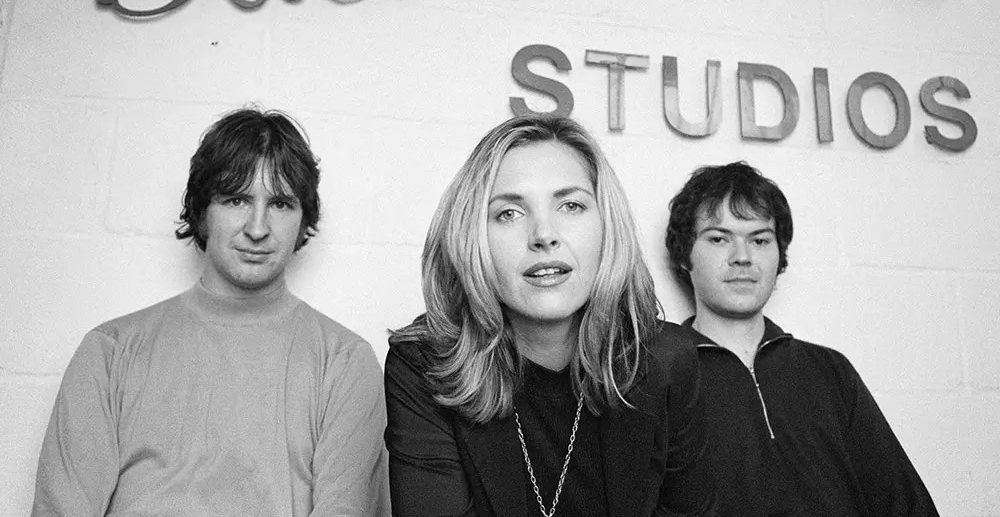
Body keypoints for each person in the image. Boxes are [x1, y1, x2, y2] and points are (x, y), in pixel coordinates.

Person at [32, 109, 390, 517]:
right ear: (202, 211)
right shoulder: (111, 353)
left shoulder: (344, 363)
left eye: (280, 204)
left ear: (303, 219)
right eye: (236, 200)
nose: (257, 228)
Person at [384, 115, 716, 517]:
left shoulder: (666, 361)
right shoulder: (425, 364)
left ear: (607, 226)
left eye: (571, 206)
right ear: (471, 237)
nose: (544, 235)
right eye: (509, 213)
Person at [665, 161, 939, 517]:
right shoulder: (663, 377)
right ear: (684, 255)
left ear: (779, 255)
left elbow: (905, 503)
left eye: (760, 240)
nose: (742, 257)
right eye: (719, 239)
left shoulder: (829, 370)